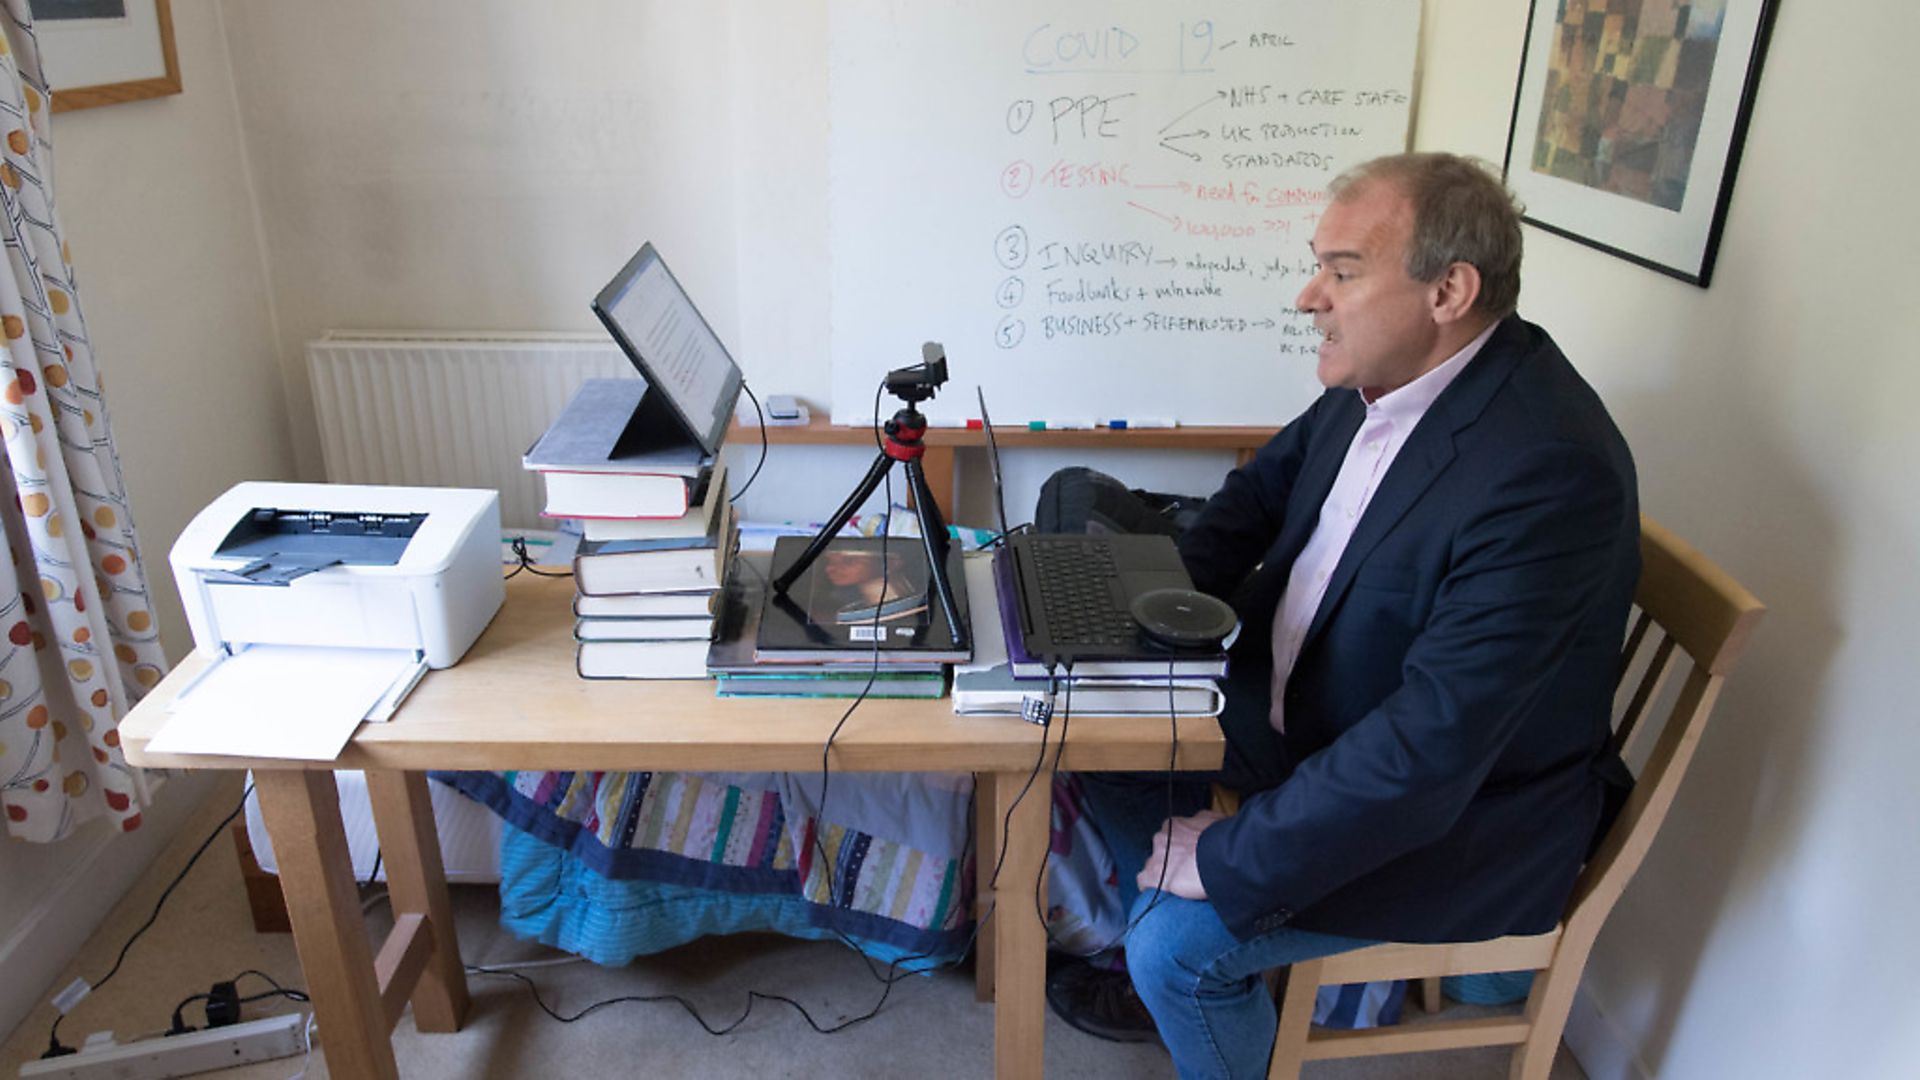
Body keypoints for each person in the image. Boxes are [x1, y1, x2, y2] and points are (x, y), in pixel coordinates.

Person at [1045, 152, 1640, 1079]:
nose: (1307, 296)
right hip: (1320, 716)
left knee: (1178, 954)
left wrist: (1238, 852)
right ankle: (1163, 906)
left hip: (1457, 816)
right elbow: (1251, 502)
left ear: (1449, 289)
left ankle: (1175, 947)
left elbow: (1431, 749)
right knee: (1100, 727)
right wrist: (1132, 626)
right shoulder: (1385, 381)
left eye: (1343, 270)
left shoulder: (1545, 471)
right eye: (1317, 264)